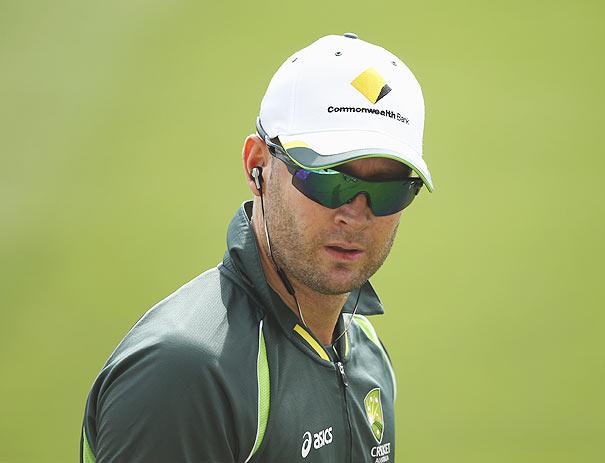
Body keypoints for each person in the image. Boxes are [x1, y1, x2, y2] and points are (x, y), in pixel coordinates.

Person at [80, 33, 434, 463]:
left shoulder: (366, 352)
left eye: (388, 189)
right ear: (257, 166)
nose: (355, 214)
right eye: (327, 179)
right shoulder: (185, 373)